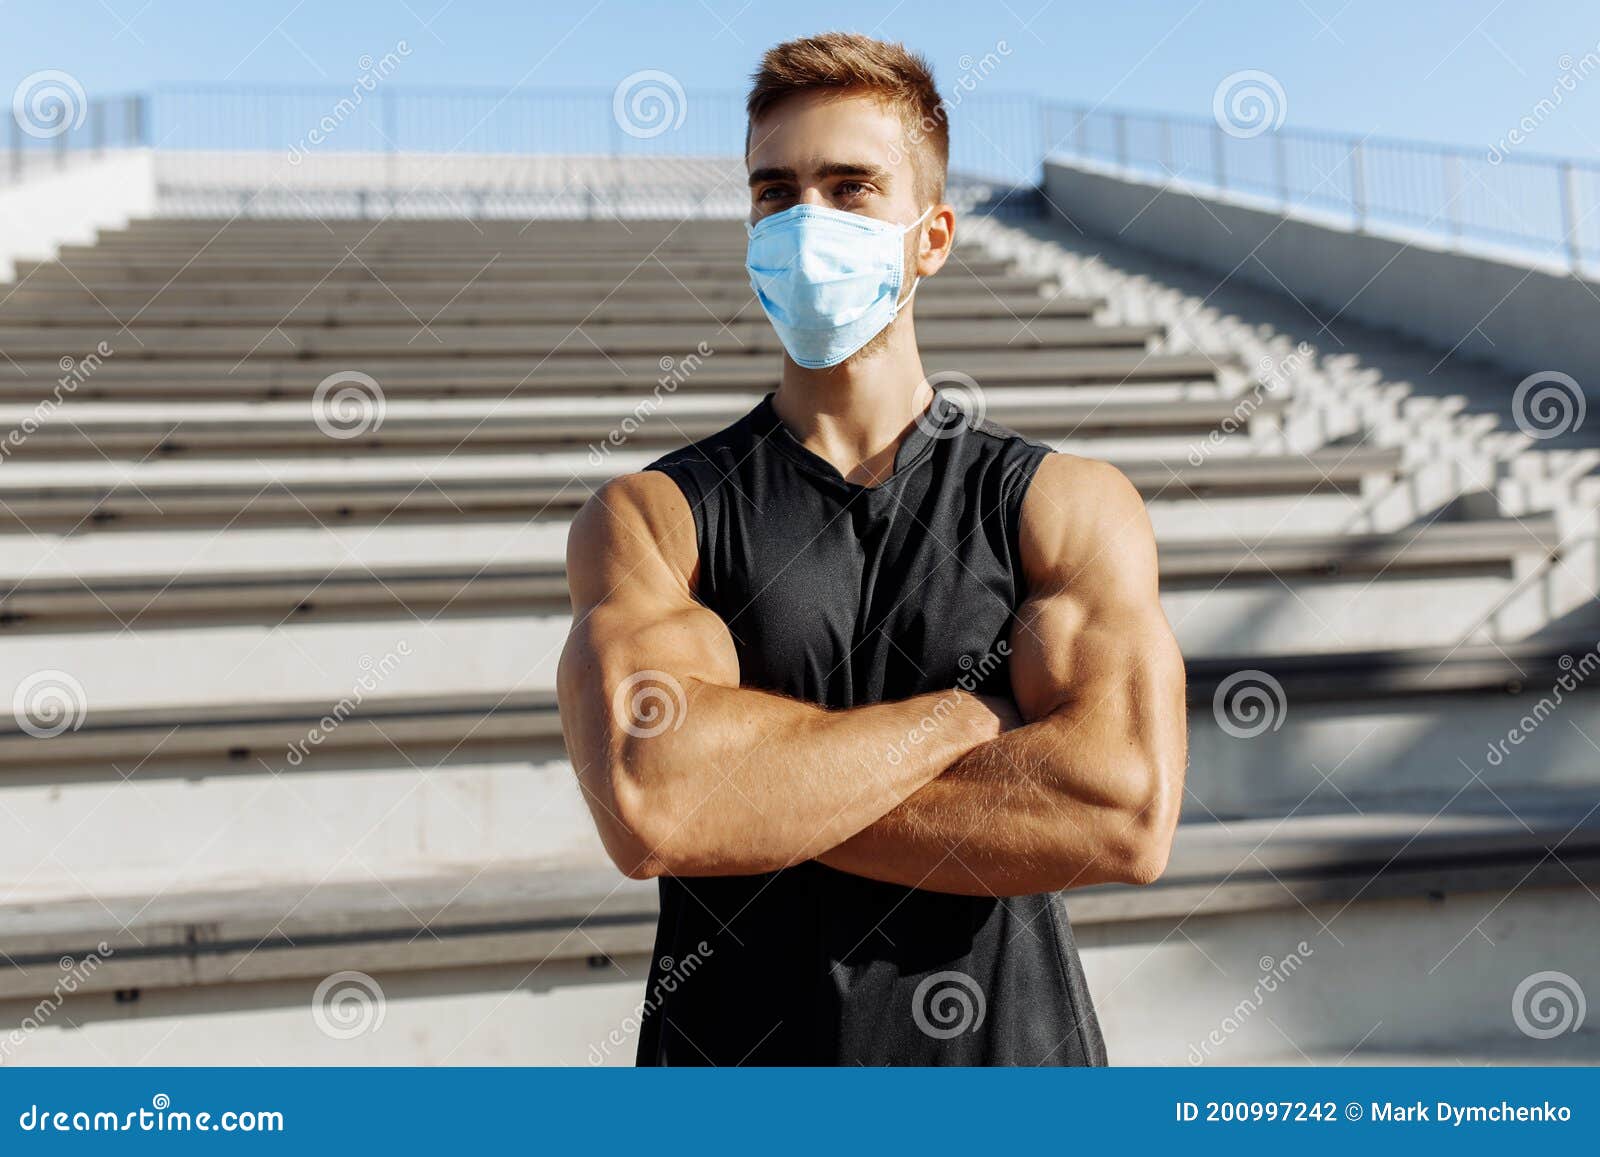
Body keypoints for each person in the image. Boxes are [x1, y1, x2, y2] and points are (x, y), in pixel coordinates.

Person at [557, 31, 1186, 1066]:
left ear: (929, 235)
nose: (807, 222)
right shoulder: (653, 514)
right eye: (775, 192)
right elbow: (657, 801)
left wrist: (757, 792)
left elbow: (1118, 809)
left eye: (851, 189)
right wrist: (961, 719)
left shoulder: (1066, 504)